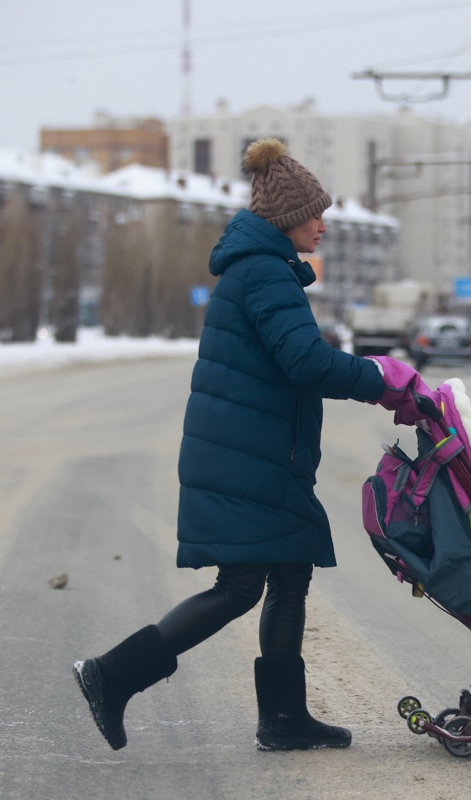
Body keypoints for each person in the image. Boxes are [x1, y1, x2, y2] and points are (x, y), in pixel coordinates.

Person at [73, 139, 389, 753]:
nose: (324, 224)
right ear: (286, 217)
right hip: (251, 458)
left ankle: (284, 718)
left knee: (290, 572)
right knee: (242, 585)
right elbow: (304, 360)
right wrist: (381, 380)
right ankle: (110, 675)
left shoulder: (261, 268)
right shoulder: (266, 272)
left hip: (257, 452)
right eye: (315, 213)